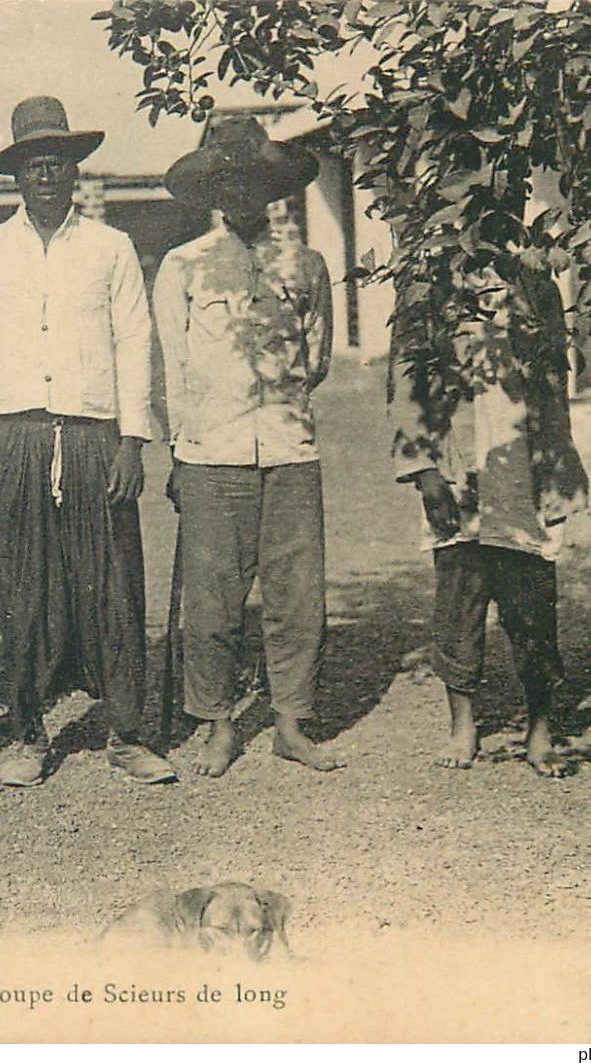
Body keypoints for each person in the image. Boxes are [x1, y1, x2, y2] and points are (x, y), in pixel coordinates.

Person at [0, 96, 177, 788]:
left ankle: (127, 732)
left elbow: (135, 343)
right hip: (17, 431)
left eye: (57, 160)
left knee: (113, 580)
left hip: (92, 432)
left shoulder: (109, 247)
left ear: (75, 170)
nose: (46, 172)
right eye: (32, 161)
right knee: (24, 586)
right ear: (15, 174)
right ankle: (27, 732)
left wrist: (132, 440)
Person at [152, 115, 343, 777]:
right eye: (224, 179)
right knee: (211, 601)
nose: (239, 191)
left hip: (289, 448)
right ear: (209, 186)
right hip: (212, 452)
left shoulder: (306, 264)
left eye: (251, 179)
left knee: (296, 595)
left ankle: (291, 722)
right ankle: (217, 724)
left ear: (271, 185)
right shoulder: (182, 266)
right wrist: (180, 448)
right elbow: (169, 367)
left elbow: (315, 358)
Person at [390, 262, 588, 777]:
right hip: (460, 464)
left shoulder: (536, 282)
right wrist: (425, 470)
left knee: (533, 602)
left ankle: (540, 729)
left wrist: (560, 472)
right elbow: (406, 376)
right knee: (459, 597)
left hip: (525, 466)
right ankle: (463, 724)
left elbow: (553, 382)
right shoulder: (428, 280)